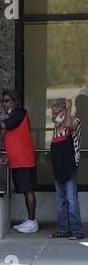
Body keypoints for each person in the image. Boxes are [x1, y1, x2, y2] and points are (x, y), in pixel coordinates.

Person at [0, 89, 39, 233]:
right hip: (17, 159)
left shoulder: (20, 112)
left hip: (24, 158)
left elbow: (5, 125)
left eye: (7, 101)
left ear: (15, 101)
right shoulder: (12, 116)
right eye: (3, 101)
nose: (4, 104)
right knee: (25, 189)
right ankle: (30, 219)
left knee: (28, 190)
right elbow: (4, 129)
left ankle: (32, 221)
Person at [49, 98, 84, 240]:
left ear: (63, 111)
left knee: (71, 199)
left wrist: (69, 109)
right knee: (60, 200)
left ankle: (77, 230)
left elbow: (69, 125)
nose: (52, 114)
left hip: (70, 166)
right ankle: (63, 229)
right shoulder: (56, 125)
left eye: (55, 112)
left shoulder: (75, 121)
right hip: (58, 167)